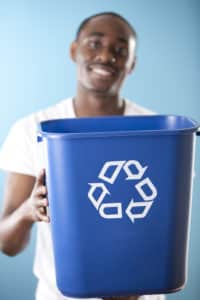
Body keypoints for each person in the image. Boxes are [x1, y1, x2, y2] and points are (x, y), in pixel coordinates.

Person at [0, 12, 165, 300]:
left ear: (132, 64)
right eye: (94, 43)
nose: (106, 56)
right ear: (74, 50)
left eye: (120, 50)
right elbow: (7, 245)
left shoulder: (159, 133)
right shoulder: (31, 130)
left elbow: (165, 225)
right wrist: (30, 210)